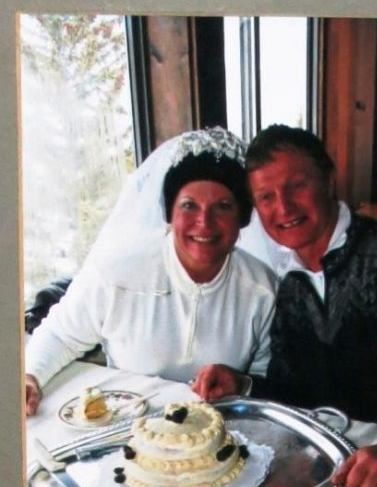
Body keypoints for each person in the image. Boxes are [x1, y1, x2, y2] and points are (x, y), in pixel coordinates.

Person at [193, 124, 377, 487]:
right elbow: (298, 391)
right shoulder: (291, 284)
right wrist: (243, 384)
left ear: (329, 180)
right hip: (341, 468)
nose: (284, 207)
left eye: (296, 186)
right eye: (266, 197)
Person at [25, 126, 277, 415]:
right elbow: (60, 335)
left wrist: (242, 382)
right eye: (189, 205)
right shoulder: (117, 271)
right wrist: (31, 376)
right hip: (124, 429)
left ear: (242, 217)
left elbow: (263, 375)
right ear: (170, 213)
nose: (204, 222)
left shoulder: (262, 290)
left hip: (220, 431)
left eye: (223, 206)